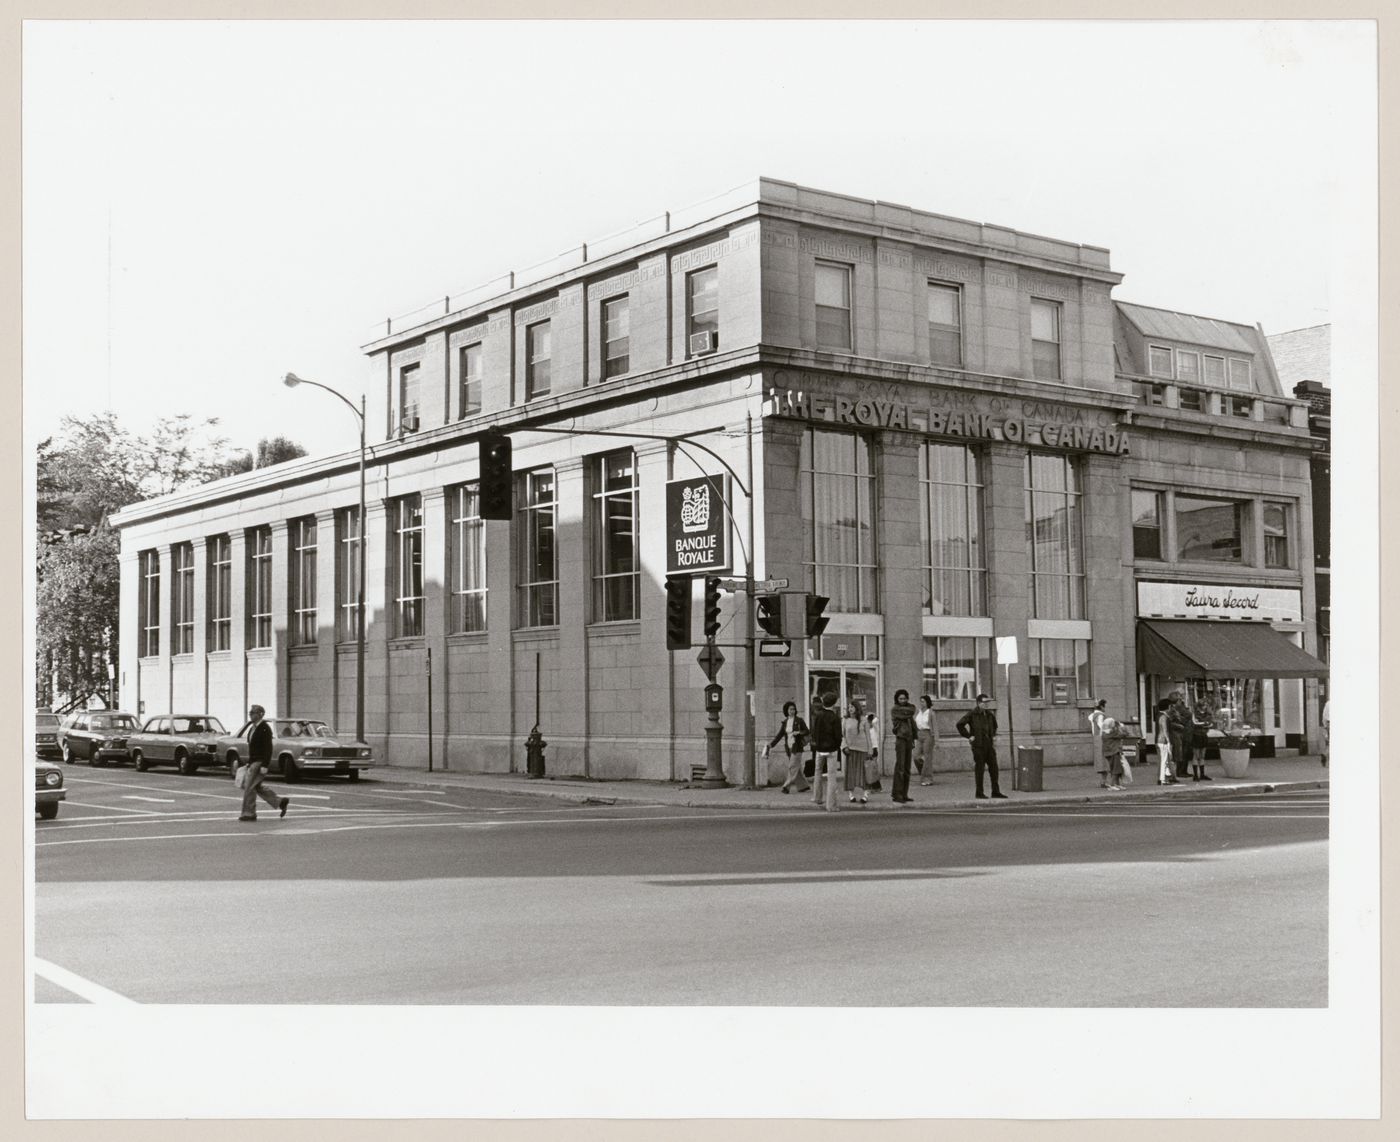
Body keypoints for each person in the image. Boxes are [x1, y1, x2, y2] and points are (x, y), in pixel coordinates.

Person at [239, 704, 290, 822]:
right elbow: (253, 747)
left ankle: (249, 813)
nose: (250, 714)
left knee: (249, 787)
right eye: (250, 712)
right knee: (256, 786)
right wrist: (249, 762)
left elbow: (268, 748)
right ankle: (280, 802)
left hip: (259, 762)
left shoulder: (264, 728)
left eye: (253, 712)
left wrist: (265, 765)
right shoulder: (253, 728)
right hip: (254, 761)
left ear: (260, 714)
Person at [956, 692, 1006, 799]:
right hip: (978, 745)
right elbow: (960, 725)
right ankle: (979, 792)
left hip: (989, 745)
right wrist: (969, 736)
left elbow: (994, 726)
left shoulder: (989, 715)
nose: (987, 705)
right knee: (980, 769)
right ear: (979, 703)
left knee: (994, 768)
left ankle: (995, 791)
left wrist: (993, 736)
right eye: (984, 702)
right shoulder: (972, 714)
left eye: (988, 702)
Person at [762, 701, 811, 794]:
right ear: (786, 711)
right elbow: (779, 735)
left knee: (792, 766)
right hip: (789, 747)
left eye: (793, 709)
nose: (792, 711)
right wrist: (771, 745)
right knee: (796, 768)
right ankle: (803, 786)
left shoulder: (799, 720)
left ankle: (786, 786)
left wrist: (799, 733)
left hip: (797, 747)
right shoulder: (785, 722)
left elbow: (807, 731)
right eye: (790, 709)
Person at [809, 690, 843, 813]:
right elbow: (838, 736)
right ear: (834, 703)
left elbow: (814, 731)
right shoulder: (834, 717)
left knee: (817, 772)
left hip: (819, 748)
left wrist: (817, 744)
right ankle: (831, 805)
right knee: (831, 776)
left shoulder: (818, 715)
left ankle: (817, 797)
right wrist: (836, 746)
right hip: (831, 749)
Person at [889, 689, 918, 804]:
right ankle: (897, 794)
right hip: (900, 739)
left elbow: (912, 710)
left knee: (907, 768)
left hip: (909, 739)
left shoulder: (908, 709)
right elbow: (910, 711)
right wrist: (908, 712)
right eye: (900, 699)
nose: (903, 701)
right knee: (900, 768)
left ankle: (904, 793)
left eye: (904, 698)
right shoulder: (895, 709)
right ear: (897, 699)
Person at [841, 703, 870, 804]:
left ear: (857, 708)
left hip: (863, 749)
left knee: (864, 773)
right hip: (850, 750)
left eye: (852, 707)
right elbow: (843, 735)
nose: (850, 709)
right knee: (851, 773)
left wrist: (870, 750)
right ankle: (851, 795)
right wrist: (844, 746)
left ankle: (865, 794)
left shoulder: (864, 719)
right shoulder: (845, 720)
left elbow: (868, 735)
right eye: (849, 707)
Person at [1167, 692, 1194, 782]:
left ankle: (1183, 770)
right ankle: (1180, 771)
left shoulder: (1179, 708)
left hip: (1186, 732)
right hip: (1180, 734)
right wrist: (1180, 725)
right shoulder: (1173, 709)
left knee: (1185, 753)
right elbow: (1172, 722)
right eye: (1179, 699)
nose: (1181, 700)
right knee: (1181, 753)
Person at [914, 695, 938, 786]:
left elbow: (935, 727)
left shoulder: (931, 713)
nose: (921, 703)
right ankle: (924, 773)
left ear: (927, 702)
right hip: (919, 734)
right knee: (916, 756)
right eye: (920, 701)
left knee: (927, 757)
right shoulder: (918, 712)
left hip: (928, 734)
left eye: (923, 701)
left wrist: (937, 740)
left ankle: (928, 778)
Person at [1155, 698, 1180, 785]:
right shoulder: (1164, 716)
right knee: (1164, 760)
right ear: (1168, 707)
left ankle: (1161, 778)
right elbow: (1165, 730)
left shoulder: (1159, 715)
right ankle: (1163, 779)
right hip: (1163, 741)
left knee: (1162, 760)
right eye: (1170, 706)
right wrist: (1169, 741)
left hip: (1159, 740)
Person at [1087, 699, 1109, 787]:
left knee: (1100, 760)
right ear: (1101, 707)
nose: (1105, 708)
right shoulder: (1100, 716)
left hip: (1096, 739)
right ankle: (1104, 781)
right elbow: (1102, 726)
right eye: (1104, 706)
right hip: (1102, 739)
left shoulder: (1093, 715)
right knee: (1105, 760)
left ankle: (1103, 781)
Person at [862, 709, 883, 794]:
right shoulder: (866, 729)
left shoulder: (874, 728)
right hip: (868, 749)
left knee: (872, 769)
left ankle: (874, 787)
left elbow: (876, 720)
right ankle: (874, 786)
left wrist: (873, 714)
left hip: (873, 749)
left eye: (870, 720)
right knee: (870, 769)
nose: (869, 722)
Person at [1320, 696, 1330, 767]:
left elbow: (1324, 715)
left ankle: (1325, 754)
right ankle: (1325, 754)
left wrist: (1325, 725)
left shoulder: (1328, 703)